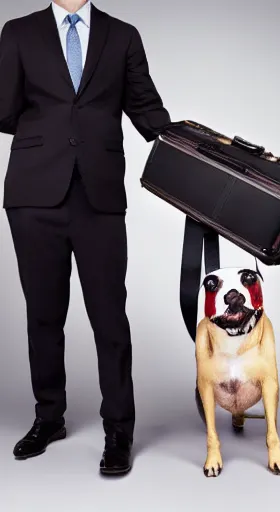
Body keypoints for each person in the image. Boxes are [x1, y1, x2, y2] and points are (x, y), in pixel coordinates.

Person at [0, 0, 171, 475]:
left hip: (98, 195)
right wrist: (55, 133)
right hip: (34, 193)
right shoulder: (18, 32)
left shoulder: (122, 35)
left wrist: (197, 146)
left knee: (109, 318)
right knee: (43, 315)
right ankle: (48, 417)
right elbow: (4, 109)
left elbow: (147, 109)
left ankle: (119, 429)